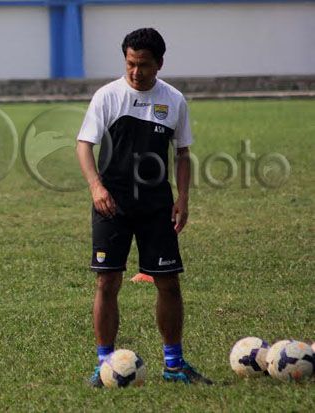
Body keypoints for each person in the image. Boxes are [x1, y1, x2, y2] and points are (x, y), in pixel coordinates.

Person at [76, 28, 212, 386]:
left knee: (168, 283)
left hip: (156, 206)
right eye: (130, 64)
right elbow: (83, 145)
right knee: (107, 281)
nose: (136, 72)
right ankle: (104, 365)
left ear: (159, 64)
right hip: (112, 204)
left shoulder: (174, 100)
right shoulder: (108, 96)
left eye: (144, 66)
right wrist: (96, 187)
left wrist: (183, 198)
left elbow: (182, 154)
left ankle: (175, 365)